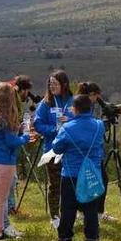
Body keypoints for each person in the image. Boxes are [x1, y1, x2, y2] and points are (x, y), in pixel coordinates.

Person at [0, 82, 35, 240]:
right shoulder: (6, 118)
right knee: (0, 199)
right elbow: (11, 142)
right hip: (4, 161)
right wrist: (25, 137)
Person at [52, 95, 105, 241]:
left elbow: (57, 148)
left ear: (74, 109)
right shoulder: (99, 125)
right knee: (91, 209)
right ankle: (92, 238)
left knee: (68, 208)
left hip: (71, 173)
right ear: (90, 108)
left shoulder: (67, 128)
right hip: (92, 172)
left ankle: (65, 238)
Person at [34, 70, 73, 229]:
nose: (52, 87)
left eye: (55, 84)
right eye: (50, 84)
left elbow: (84, 117)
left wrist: (70, 121)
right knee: (55, 185)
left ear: (64, 85)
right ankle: (55, 216)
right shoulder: (45, 103)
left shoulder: (73, 101)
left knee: (70, 184)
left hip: (71, 150)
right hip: (52, 150)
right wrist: (54, 129)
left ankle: (69, 213)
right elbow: (37, 124)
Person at [77, 81, 117, 223]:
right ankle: (91, 213)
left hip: (94, 151)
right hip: (87, 152)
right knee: (96, 181)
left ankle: (92, 212)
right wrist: (104, 124)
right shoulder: (82, 106)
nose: (97, 99)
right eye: (96, 96)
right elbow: (90, 127)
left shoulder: (90, 105)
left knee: (100, 180)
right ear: (91, 95)